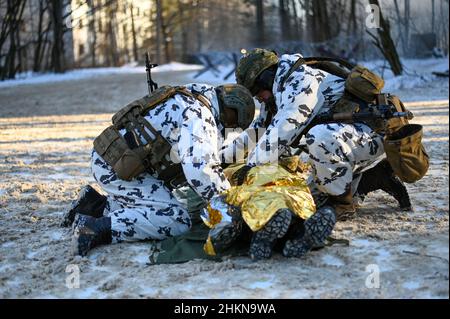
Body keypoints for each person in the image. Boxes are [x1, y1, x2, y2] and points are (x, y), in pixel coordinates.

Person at [63, 83, 256, 256]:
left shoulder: (190, 96)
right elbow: (200, 170)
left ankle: (92, 205)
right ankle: (95, 228)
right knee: (177, 219)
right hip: (119, 169)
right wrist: (226, 201)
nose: (228, 128)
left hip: (113, 159)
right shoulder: (199, 115)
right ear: (230, 108)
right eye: (232, 122)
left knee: (152, 204)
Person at [221, 49, 411, 220]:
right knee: (309, 198)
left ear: (266, 77)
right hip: (350, 137)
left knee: (319, 138)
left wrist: (251, 168)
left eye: (256, 90)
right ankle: (376, 178)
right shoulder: (278, 91)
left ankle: (343, 204)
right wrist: (222, 159)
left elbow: (282, 132)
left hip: (375, 133)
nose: (257, 97)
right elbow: (257, 132)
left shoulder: (301, 81)